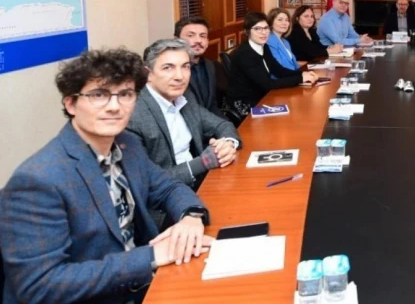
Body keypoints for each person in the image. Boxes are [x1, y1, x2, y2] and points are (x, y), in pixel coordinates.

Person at [0, 48, 211, 304]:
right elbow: (39, 286)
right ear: (71, 104)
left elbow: (168, 187)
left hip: (145, 284)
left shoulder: (127, 144)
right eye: (98, 95)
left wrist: (191, 217)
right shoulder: (38, 179)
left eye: (125, 94)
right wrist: (151, 256)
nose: (114, 106)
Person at [127, 38, 241, 190]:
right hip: (167, 197)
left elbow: (222, 125)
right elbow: (146, 182)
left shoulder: (185, 97)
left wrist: (227, 144)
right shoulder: (133, 115)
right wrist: (202, 163)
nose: (180, 76)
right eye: (168, 68)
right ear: (148, 74)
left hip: (203, 183)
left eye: (185, 67)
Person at [226, 12, 318, 118]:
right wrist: (300, 78)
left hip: (262, 96)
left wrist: (303, 74)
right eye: (257, 29)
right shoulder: (245, 54)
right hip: (244, 104)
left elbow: (279, 70)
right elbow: (267, 84)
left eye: (266, 28)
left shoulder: (264, 46)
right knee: (291, 114)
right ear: (247, 31)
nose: (263, 32)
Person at [174, 16, 224, 118]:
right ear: (177, 40)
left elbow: (212, 105)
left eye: (202, 36)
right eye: (191, 35)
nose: (198, 40)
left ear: (207, 42)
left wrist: (226, 124)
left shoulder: (210, 66)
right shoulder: (172, 72)